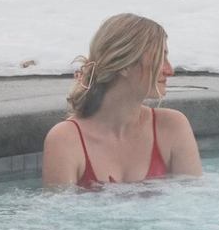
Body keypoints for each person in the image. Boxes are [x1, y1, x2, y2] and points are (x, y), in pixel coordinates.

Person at [42, 13, 203, 188]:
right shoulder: (66, 140)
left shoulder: (172, 127)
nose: (170, 70)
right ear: (125, 65)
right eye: (160, 58)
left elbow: (193, 207)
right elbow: (60, 214)